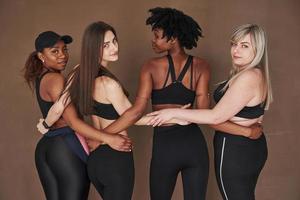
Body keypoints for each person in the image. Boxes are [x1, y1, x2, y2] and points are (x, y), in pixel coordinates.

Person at [91, 8, 262, 200]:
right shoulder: (202, 66)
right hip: (195, 147)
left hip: (164, 149)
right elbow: (206, 113)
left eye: (157, 36)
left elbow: (135, 112)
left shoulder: (150, 66)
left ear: (172, 39)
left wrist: (100, 137)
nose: (153, 40)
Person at [147, 24, 271, 200]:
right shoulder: (253, 74)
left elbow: (214, 117)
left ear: (258, 49)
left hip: (236, 149)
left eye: (245, 46)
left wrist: (173, 113)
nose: (236, 50)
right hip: (248, 147)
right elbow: (216, 115)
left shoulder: (249, 77)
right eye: (234, 44)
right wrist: (248, 131)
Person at [23, 31, 131, 200]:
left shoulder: (42, 78)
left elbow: (55, 112)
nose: (63, 56)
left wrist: (44, 125)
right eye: (55, 51)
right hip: (64, 147)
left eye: (64, 50)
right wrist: (108, 138)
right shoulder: (56, 80)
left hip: (45, 146)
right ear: (40, 56)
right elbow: (72, 122)